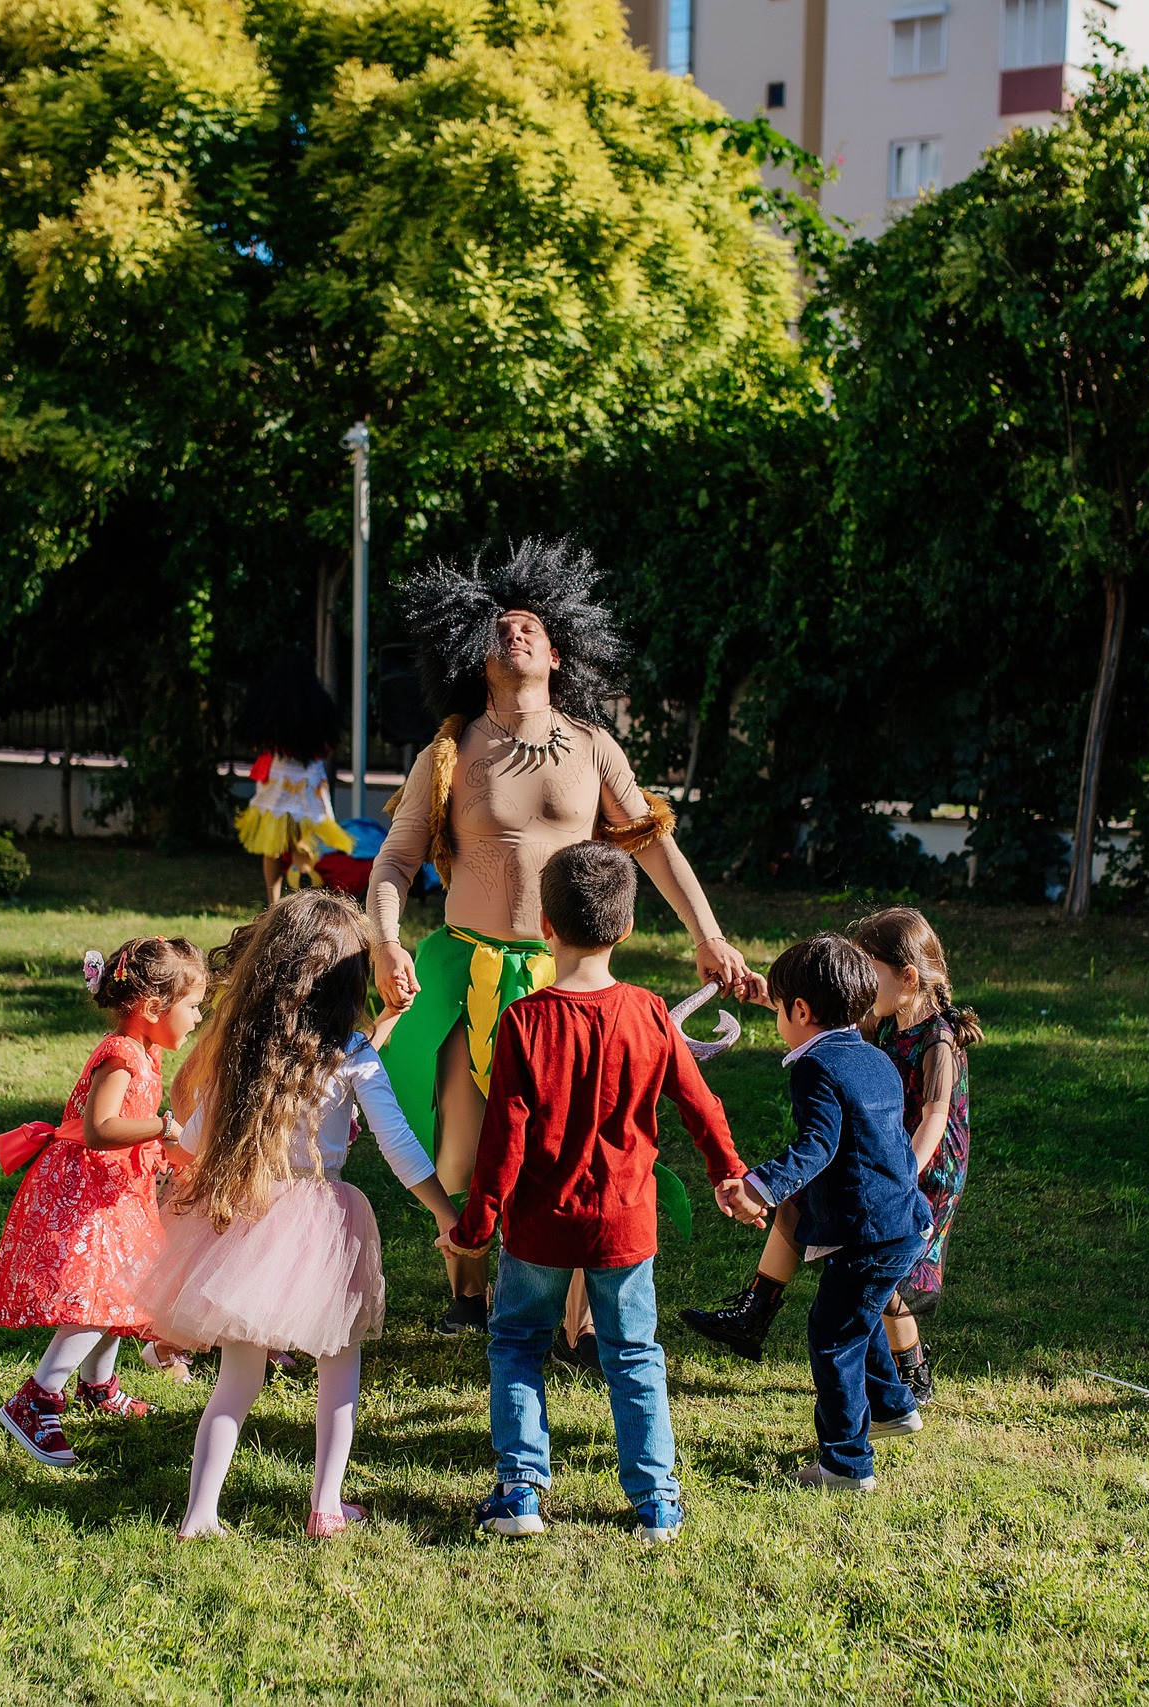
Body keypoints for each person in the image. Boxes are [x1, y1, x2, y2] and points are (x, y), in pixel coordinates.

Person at [369, 538, 765, 1336]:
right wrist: (385, 940)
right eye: (499, 628)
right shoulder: (448, 751)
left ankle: (580, 1322)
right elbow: (396, 858)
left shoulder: (593, 746)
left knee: (580, 1145)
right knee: (462, 1148)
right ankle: (467, 1294)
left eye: (530, 627)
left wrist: (710, 937)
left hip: (569, 977)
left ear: (558, 652)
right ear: (476, 657)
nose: (514, 633)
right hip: (464, 974)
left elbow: (653, 844)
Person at [440, 842, 748, 1544]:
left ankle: (519, 1489)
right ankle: (657, 1501)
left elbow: (502, 1143)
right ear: (630, 924)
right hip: (625, 1228)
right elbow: (703, 1107)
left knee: (517, 1341)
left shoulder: (522, 1020)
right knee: (634, 1353)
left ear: (544, 925)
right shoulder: (649, 1015)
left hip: (539, 1229)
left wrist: (475, 1224)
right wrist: (728, 1170)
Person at [132, 889, 463, 1539]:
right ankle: (326, 1506)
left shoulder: (246, 1049)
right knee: (340, 1361)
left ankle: (200, 1514)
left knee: (238, 1376)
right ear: (349, 981)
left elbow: (194, 1140)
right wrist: (446, 1214)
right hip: (324, 1222)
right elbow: (398, 1145)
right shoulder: (352, 1055)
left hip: (248, 1215)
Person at [681, 907, 984, 1402]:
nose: (859, 985)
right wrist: (773, 997)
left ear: (907, 977)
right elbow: (825, 1019)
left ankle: (911, 1369)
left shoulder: (938, 1040)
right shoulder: (882, 1018)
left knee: (880, 1273)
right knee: (800, 1204)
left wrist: (902, 1175)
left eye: (869, 972)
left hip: (915, 1167)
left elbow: (934, 1116)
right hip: (872, 1149)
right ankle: (758, 1308)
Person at [716, 934, 930, 1492]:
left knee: (833, 1335)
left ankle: (846, 1464)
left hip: (869, 1232)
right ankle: (893, 1407)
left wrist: (759, 1188)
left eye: (782, 1008)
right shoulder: (874, 1057)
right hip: (900, 1221)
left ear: (802, 1011)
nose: (779, 1018)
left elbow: (817, 1146)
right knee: (858, 1317)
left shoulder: (815, 1069)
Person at [0, 937, 208, 1467]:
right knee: (97, 1296)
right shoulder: (122, 1055)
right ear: (154, 1008)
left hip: (115, 1190)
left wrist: (173, 1152)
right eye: (193, 1005)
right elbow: (100, 1127)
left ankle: (98, 1386)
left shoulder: (146, 1051)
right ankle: (35, 1398)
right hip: (89, 1192)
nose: (198, 1017)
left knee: (123, 1290)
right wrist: (161, 1127)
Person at [232, 647, 353, 909]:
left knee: (272, 845)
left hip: (278, 778)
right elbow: (329, 745)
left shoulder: (270, 703)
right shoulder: (317, 702)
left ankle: (272, 903)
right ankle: (305, 901)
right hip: (308, 778)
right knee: (299, 841)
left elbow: (254, 739)